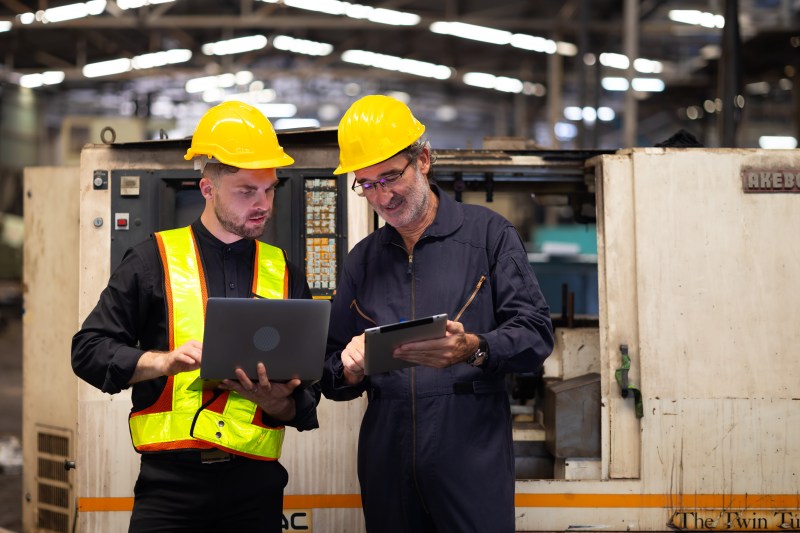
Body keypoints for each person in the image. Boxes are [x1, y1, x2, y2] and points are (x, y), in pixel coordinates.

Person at [72, 101, 320, 533]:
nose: (262, 203)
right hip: (170, 489)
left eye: (270, 189)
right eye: (247, 191)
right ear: (207, 188)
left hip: (256, 489)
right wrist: (162, 362)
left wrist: (276, 401)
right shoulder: (152, 261)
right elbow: (88, 350)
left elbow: (305, 396)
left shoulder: (285, 273)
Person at [322, 94, 554, 532]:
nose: (382, 196)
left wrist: (475, 348)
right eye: (366, 184)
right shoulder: (362, 262)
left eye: (390, 177)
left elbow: (536, 334)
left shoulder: (489, 237)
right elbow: (329, 371)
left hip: (471, 459)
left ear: (423, 159)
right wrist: (348, 369)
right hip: (387, 463)